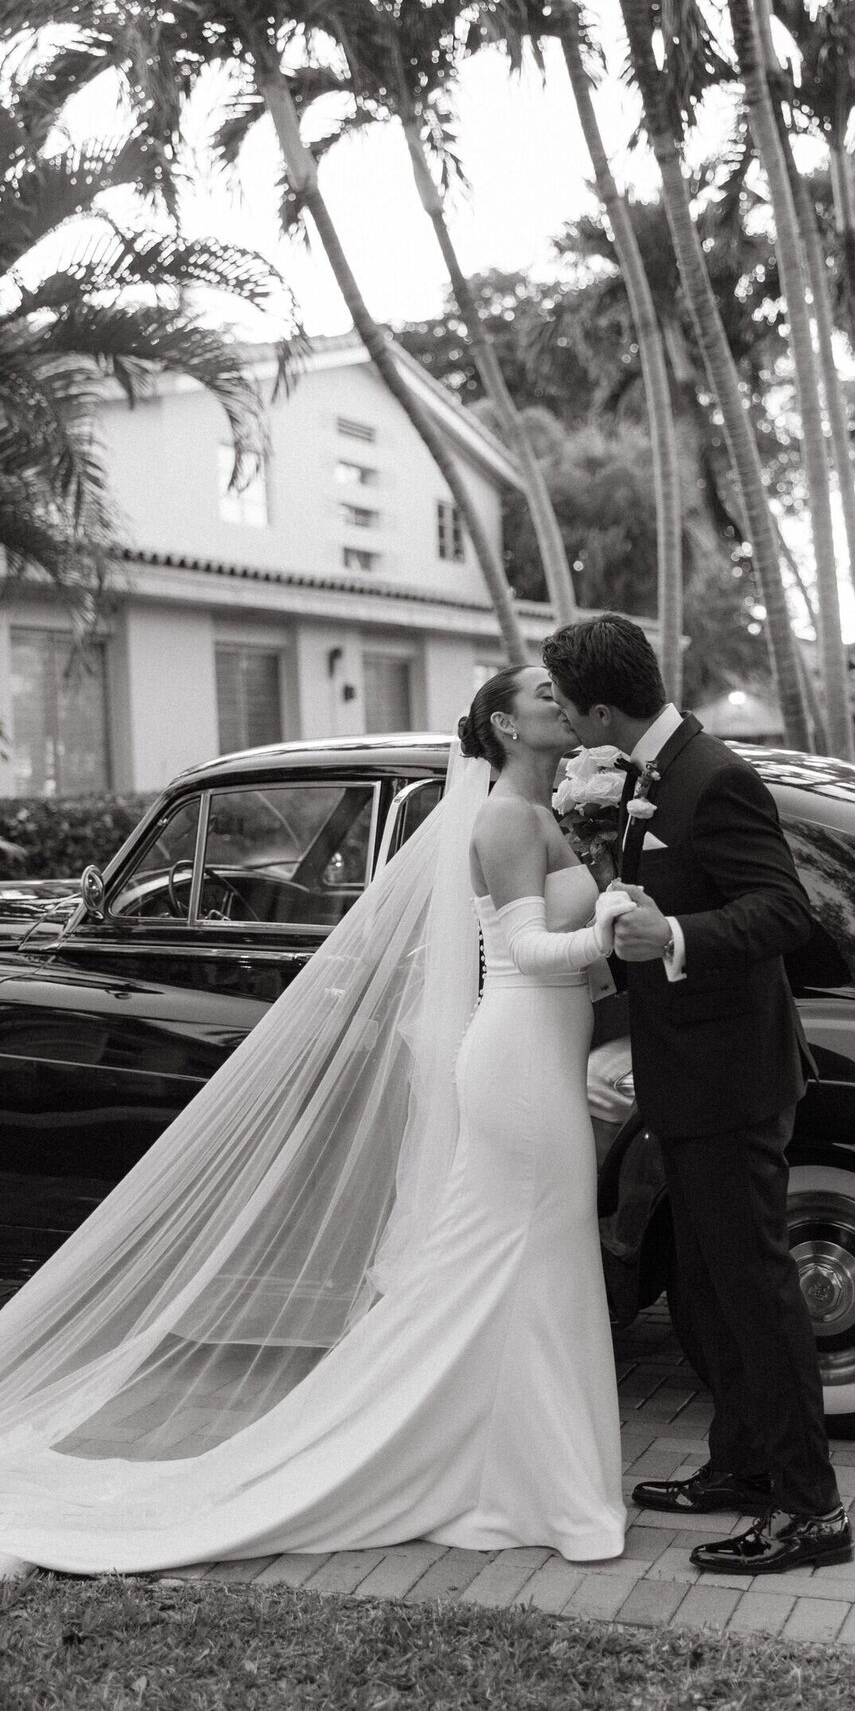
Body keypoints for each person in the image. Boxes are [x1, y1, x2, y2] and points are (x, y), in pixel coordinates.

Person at [0, 664, 628, 1578]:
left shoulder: (544, 818)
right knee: (518, 1254)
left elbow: (561, 958)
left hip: (546, 1048)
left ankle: (521, 1474)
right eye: (543, 696)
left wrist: (606, 917)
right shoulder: (499, 817)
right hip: (520, 1056)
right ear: (502, 724)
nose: (562, 705)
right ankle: (510, 1474)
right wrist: (609, 921)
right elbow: (528, 951)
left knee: (532, 1261)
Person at [543, 614, 852, 1577]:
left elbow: (783, 912)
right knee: (713, 1293)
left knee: (759, 1295)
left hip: (733, 1080)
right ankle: (742, 1469)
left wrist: (670, 936)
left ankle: (813, 1514)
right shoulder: (650, 773)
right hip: (688, 1072)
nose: (556, 711)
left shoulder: (714, 776)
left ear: (599, 706)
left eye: (561, 698)